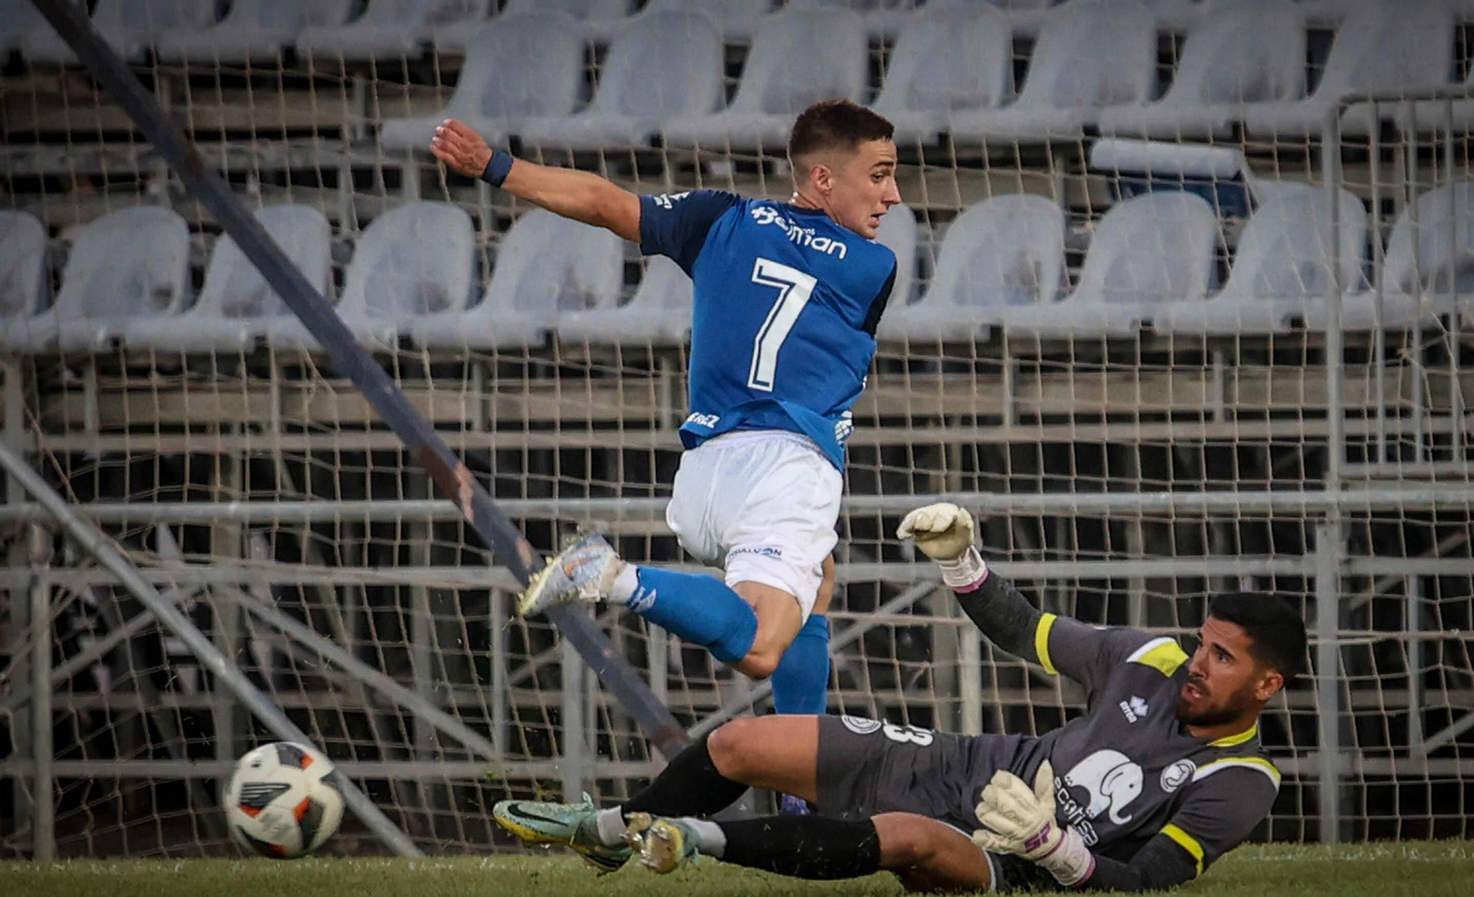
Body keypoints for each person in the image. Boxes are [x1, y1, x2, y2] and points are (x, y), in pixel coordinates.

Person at [430, 99, 900, 821]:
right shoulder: (874, 265)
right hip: (785, 466)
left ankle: (802, 797)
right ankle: (612, 575)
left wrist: (495, 166)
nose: (892, 195)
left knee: (819, 577)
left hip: (704, 473)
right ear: (823, 179)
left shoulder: (720, 217)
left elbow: (602, 203)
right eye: (880, 175)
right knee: (762, 644)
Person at [491, 501, 1308, 891]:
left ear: (1266, 684)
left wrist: (1053, 846)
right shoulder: (1153, 657)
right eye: (1202, 641)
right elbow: (1025, 630)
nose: (1198, 661)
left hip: (1021, 867)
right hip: (972, 765)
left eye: (1222, 657)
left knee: (909, 837)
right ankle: (611, 832)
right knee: (744, 743)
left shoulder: (1243, 779)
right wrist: (962, 563)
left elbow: (1151, 882)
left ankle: (690, 838)